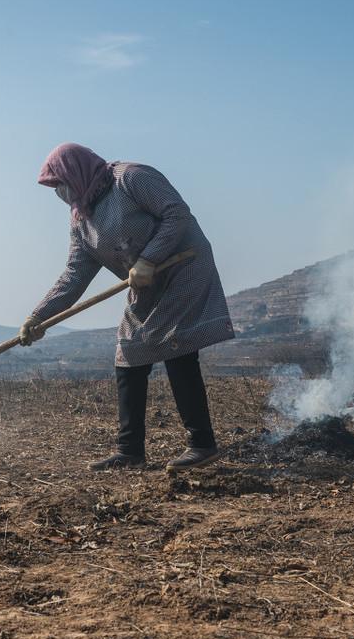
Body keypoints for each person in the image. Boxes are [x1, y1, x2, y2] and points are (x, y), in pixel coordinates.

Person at [19, 143, 236, 471]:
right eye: (54, 188)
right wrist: (39, 316)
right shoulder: (82, 220)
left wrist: (149, 259)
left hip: (182, 267)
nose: (59, 193)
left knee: (176, 347)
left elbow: (177, 213)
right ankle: (130, 450)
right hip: (144, 282)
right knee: (128, 351)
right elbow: (75, 275)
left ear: (76, 172)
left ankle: (202, 444)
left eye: (60, 183)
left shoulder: (131, 178)